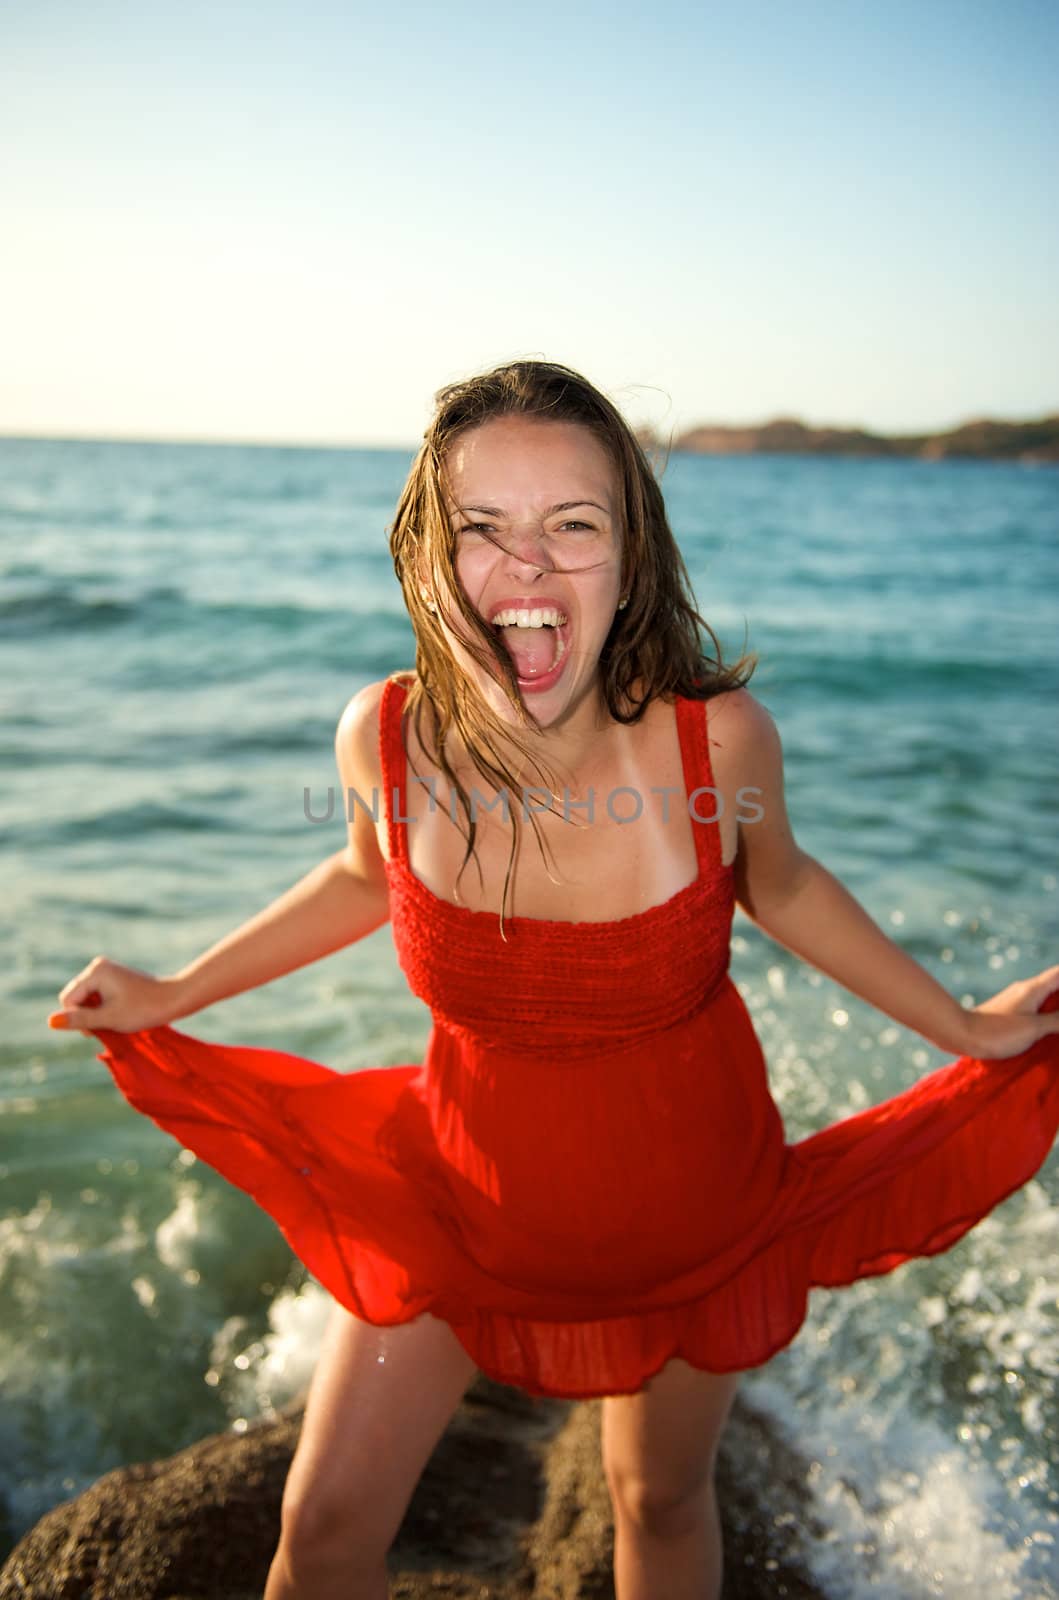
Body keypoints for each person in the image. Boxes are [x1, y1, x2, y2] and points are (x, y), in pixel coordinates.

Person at [49, 359, 1059, 1600]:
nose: (526, 566)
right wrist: (172, 994)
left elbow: (784, 890)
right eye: (485, 528)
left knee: (658, 1500)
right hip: (463, 1195)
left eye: (572, 524)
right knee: (319, 1537)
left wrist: (963, 1023)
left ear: (631, 557)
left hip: (694, 1213)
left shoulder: (713, 744)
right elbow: (367, 879)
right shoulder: (384, 735)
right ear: (429, 553)